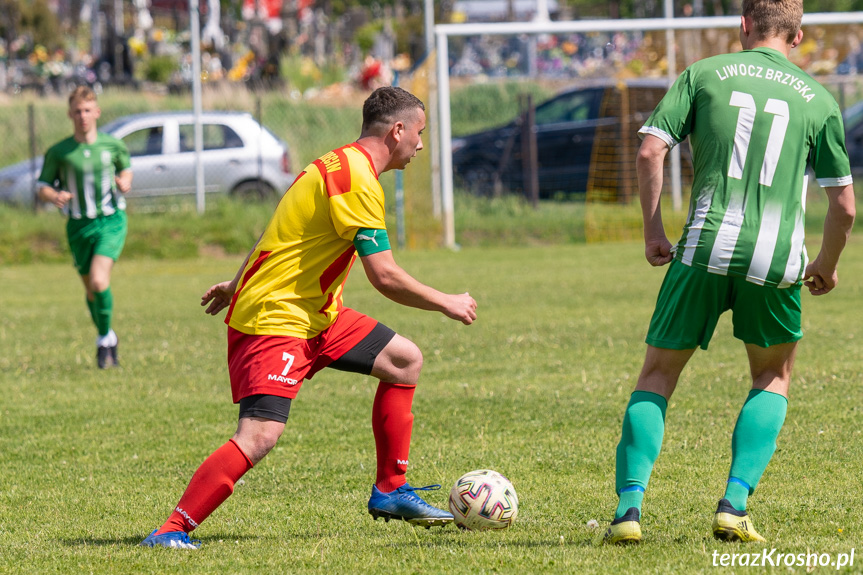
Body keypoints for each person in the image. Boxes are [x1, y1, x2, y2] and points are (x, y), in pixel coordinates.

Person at [141, 86, 478, 549]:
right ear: (397, 130)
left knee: (404, 360)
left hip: (314, 313)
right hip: (276, 319)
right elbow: (384, 276)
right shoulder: (358, 180)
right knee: (260, 435)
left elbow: (274, 229)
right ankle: (170, 531)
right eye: (419, 133)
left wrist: (236, 282)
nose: (420, 144)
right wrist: (446, 301)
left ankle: (390, 490)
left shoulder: (332, 163)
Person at [603, 0, 856, 545]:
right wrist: (826, 267)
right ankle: (734, 506)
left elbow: (650, 152)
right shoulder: (818, 99)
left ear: (743, 25)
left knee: (657, 378)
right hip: (775, 261)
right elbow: (845, 207)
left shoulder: (703, 75)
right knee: (771, 377)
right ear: (799, 35)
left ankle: (628, 513)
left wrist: (653, 233)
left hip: (702, 248)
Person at [37, 86, 133, 369]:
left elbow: (125, 168)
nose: (83, 116)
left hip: (110, 221)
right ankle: (107, 335)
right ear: (70, 114)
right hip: (78, 226)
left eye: (87, 110)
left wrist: (125, 181)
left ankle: (104, 340)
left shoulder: (112, 145)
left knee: (99, 281)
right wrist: (54, 196)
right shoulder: (59, 151)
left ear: (97, 112)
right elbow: (42, 186)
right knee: (91, 291)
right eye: (77, 111)